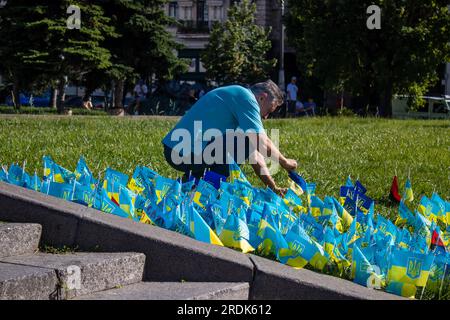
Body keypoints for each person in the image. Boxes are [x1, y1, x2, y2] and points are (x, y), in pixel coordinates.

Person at [162, 80, 298, 195]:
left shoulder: (238, 99)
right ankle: (205, 190)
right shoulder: (247, 98)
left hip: (177, 150)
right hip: (184, 152)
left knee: (244, 141)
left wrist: (272, 187)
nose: (266, 117)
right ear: (262, 97)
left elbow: (254, 155)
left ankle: (189, 186)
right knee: (245, 141)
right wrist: (285, 162)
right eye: (269, 110)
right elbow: (259, 141)